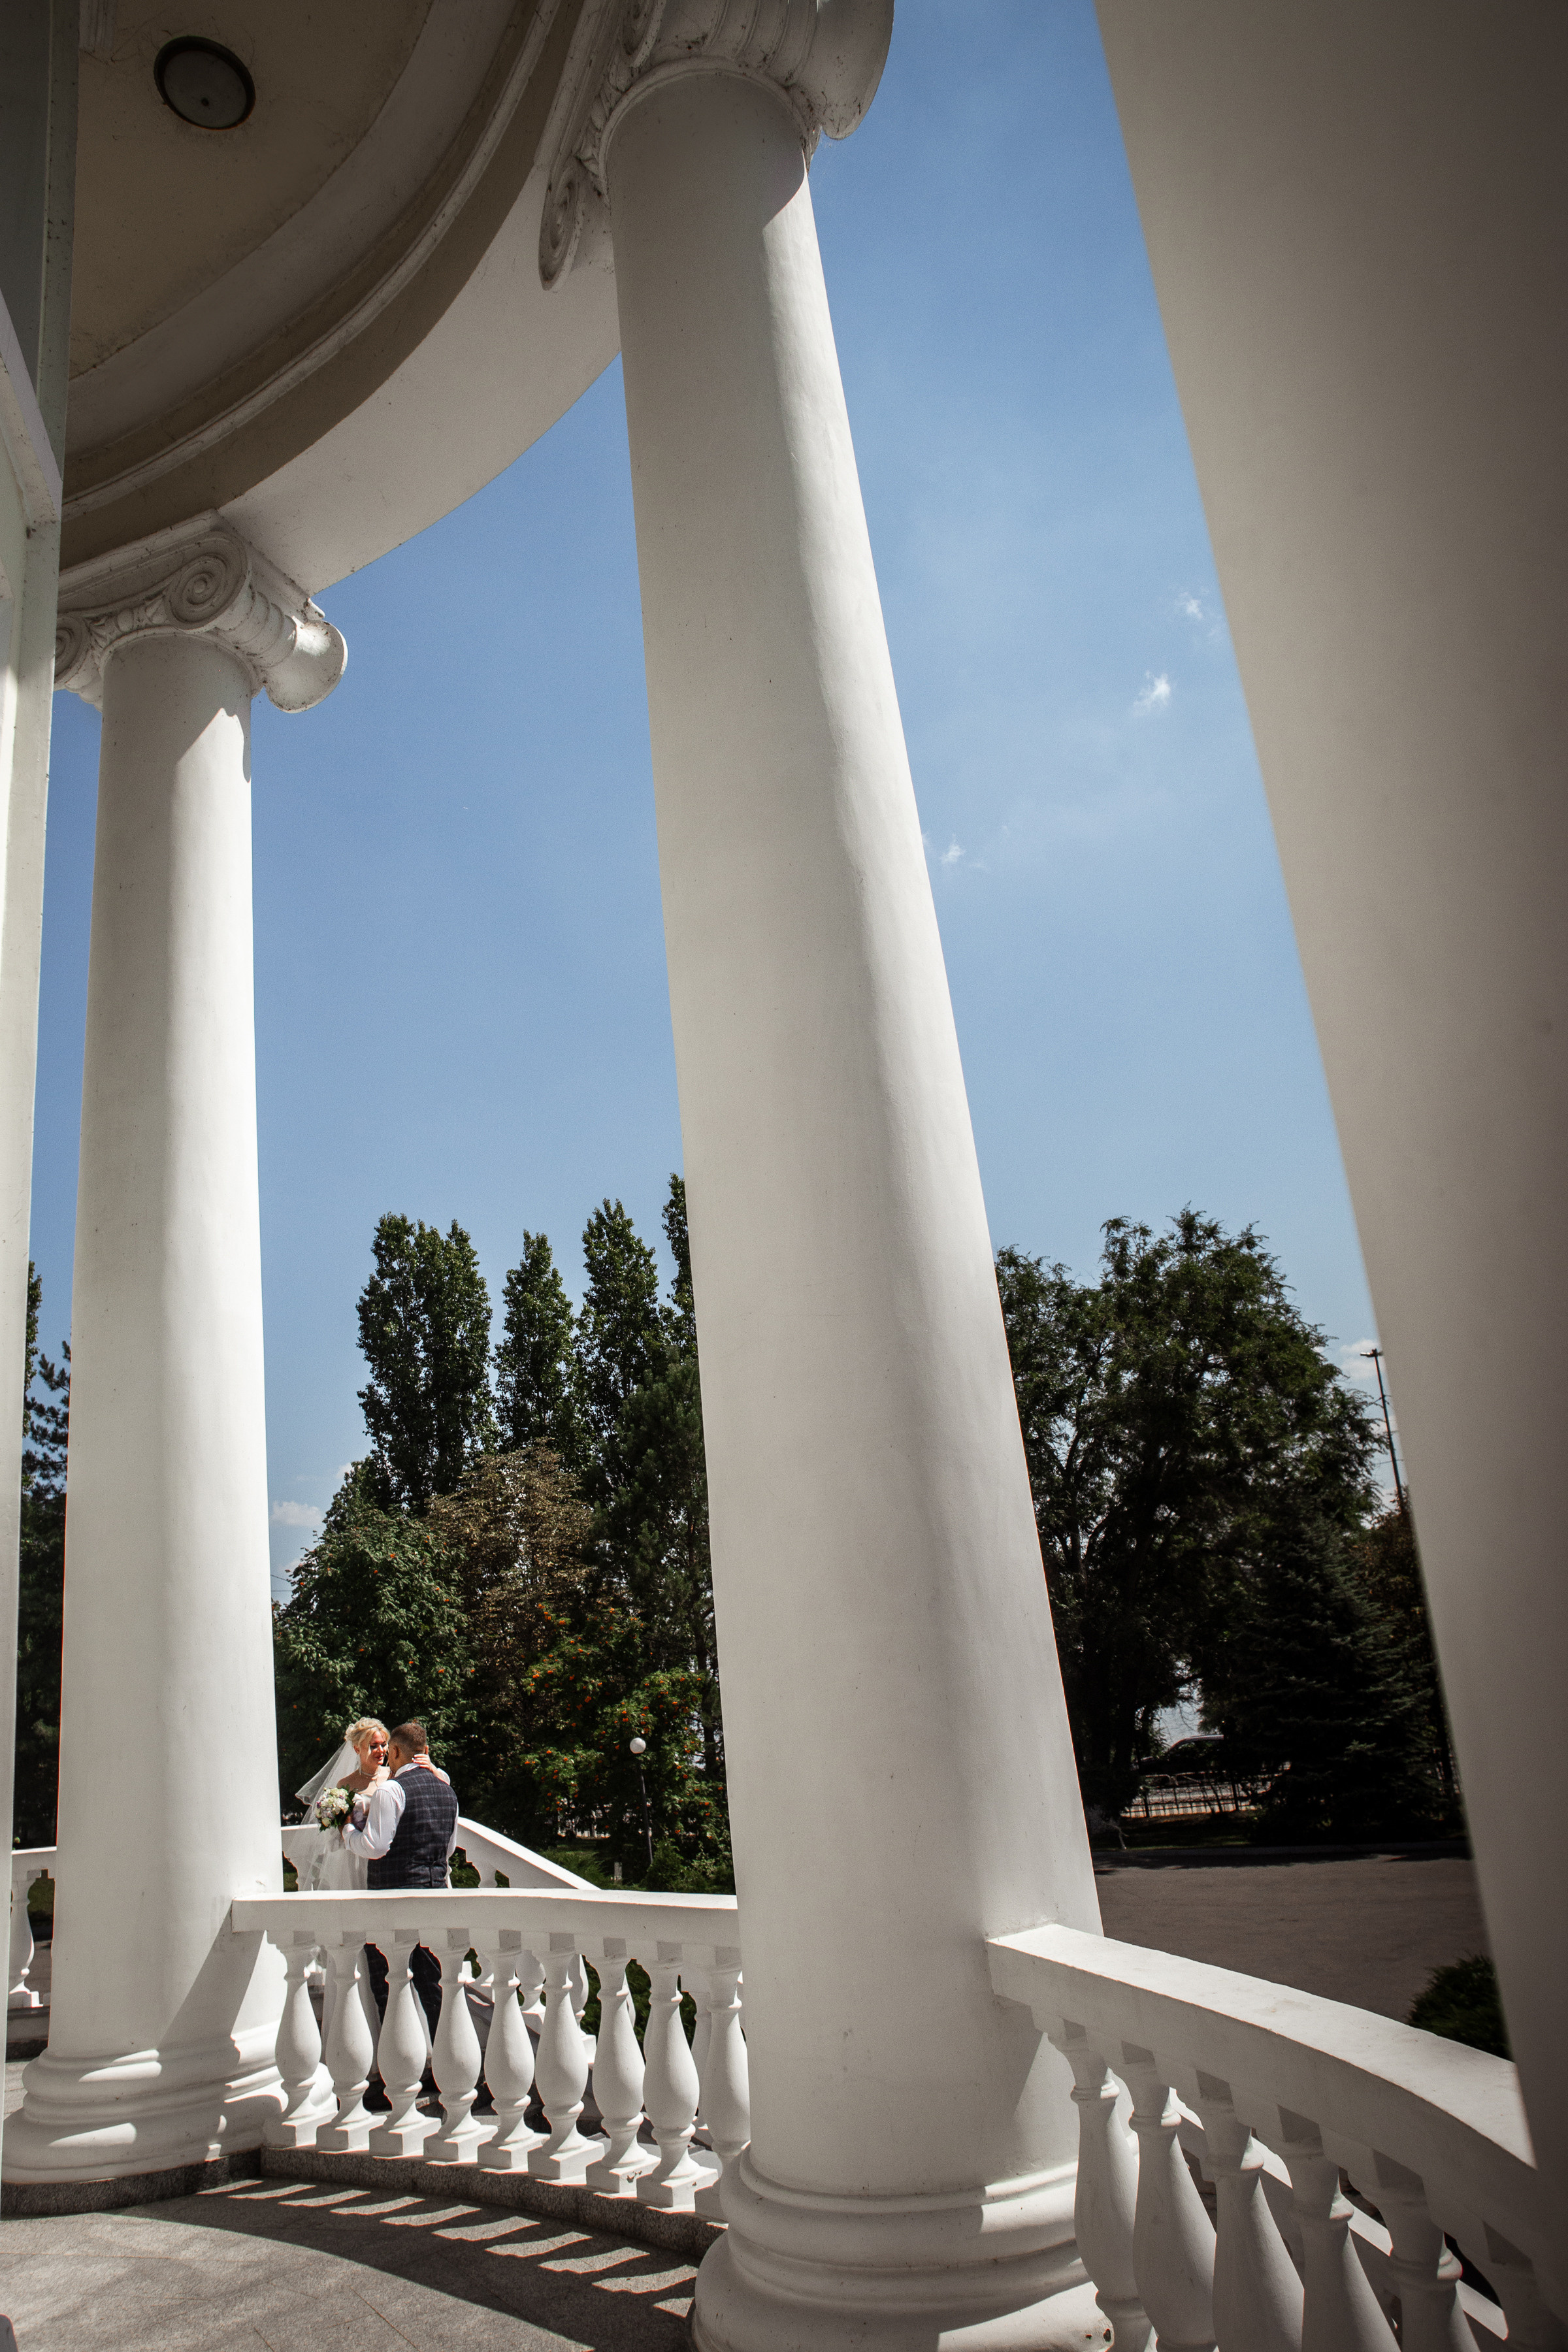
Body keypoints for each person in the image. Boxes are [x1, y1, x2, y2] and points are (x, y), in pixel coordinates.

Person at [343, 1719, 459, 2044]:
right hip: (436, 1898)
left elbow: (376, 1847)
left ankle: (397, 2076)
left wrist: (349, 1831)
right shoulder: (447, 1790)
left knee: (389, 1987)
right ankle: (447, 2068)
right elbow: (448, 1849)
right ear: (425, 1752)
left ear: (395, 1751)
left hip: (392, 1902)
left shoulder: (392, 1790)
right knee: (434, 1987)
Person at [283, 1718, 391, 1891]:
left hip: (389, 1852)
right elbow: (338, 1832)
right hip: (358, 1857)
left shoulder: (393, 1775)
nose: (381, 1751)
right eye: (373, 1746)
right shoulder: (345, 1784)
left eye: (384, 1744)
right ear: (357, 1749)